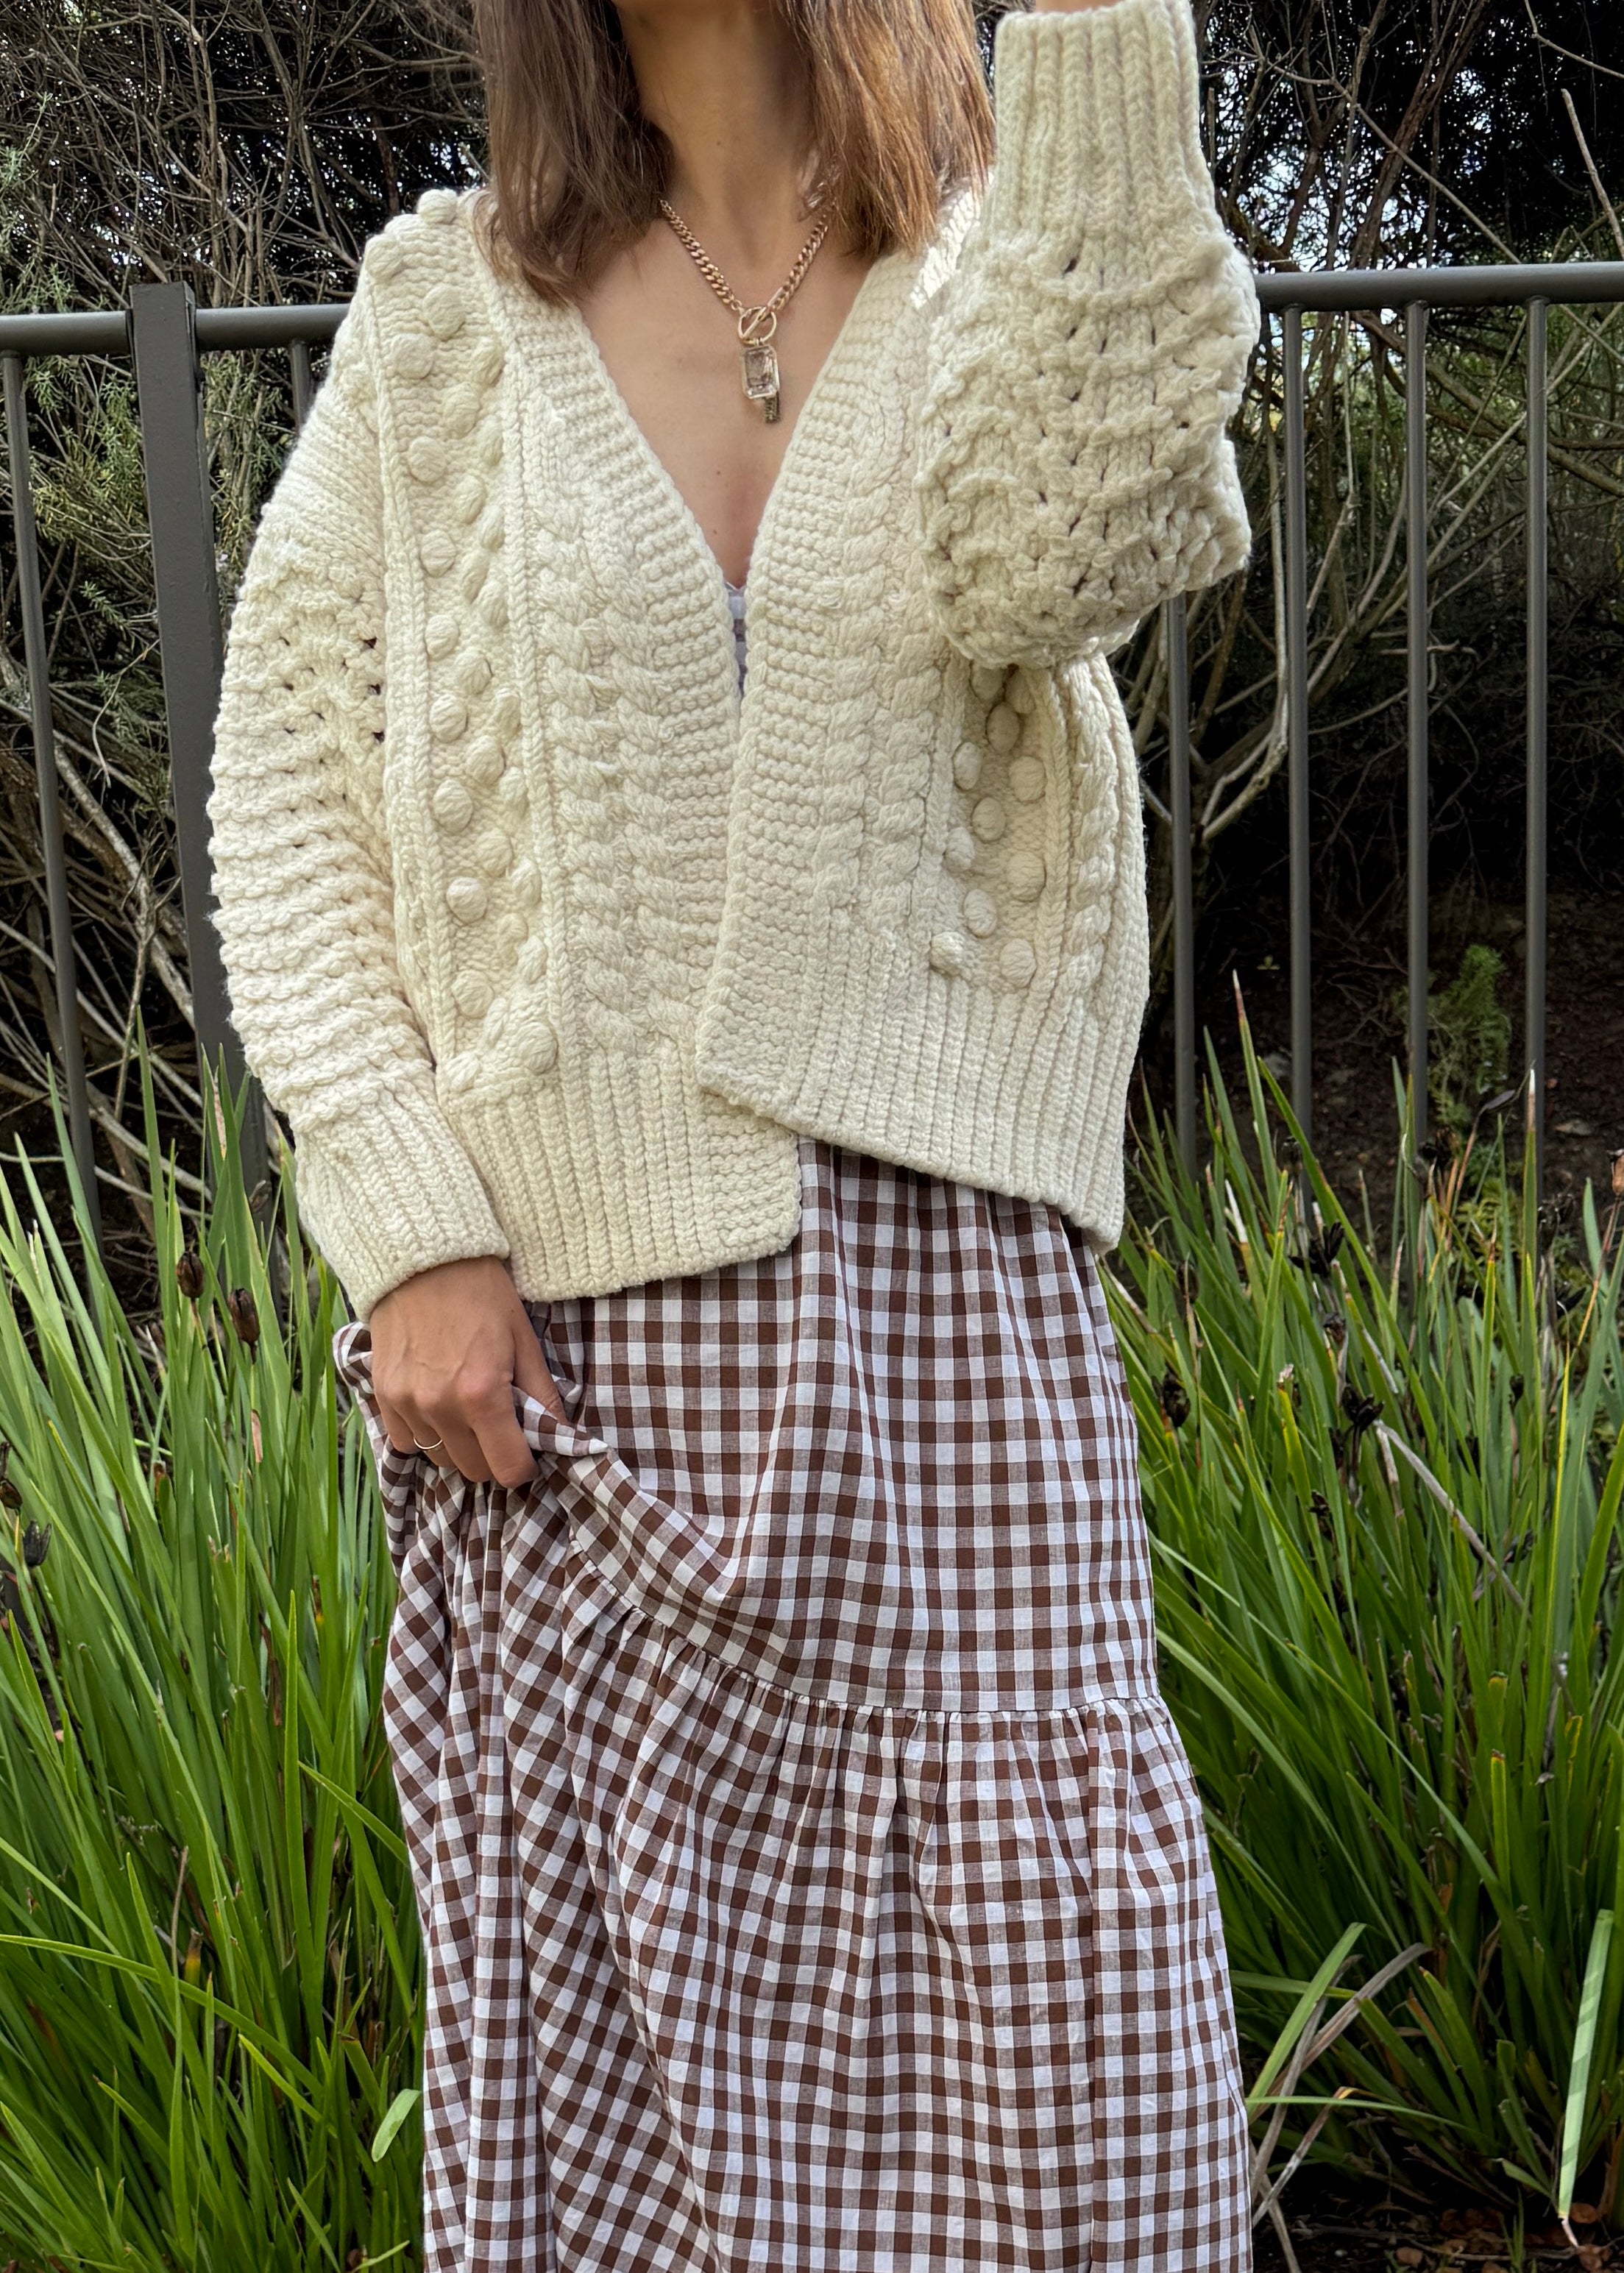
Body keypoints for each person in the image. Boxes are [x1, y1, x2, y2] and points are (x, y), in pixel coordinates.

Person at [208, 0, 1259, 2259]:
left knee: (1062, 2098)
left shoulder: (991, 267)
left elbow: (1096, 526)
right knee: (644, 2150)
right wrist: (408, 1228)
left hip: (955, 1348)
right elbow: (290, 796)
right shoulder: (434, 322)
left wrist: (1090, 43)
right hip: (574, 1379)